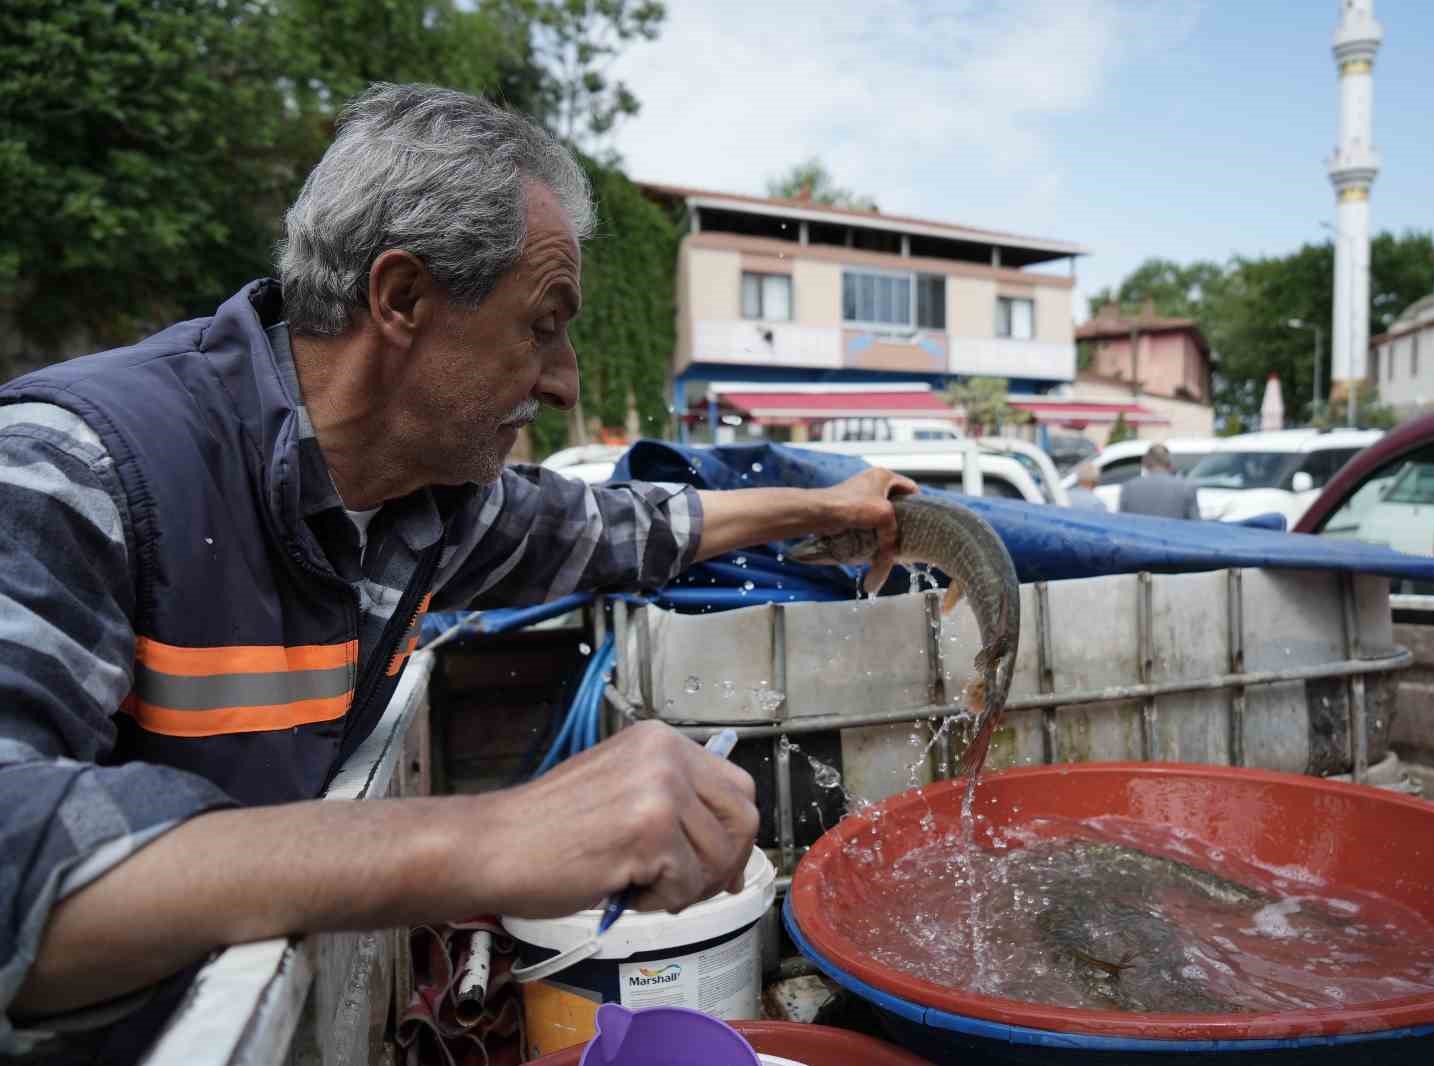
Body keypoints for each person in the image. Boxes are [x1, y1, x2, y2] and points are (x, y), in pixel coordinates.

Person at [0, 84, 915, 1062]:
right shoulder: (75, 465)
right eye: (543, 322)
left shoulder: (420, 500)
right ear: (401, 298)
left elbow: (623, 529)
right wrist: (487, 840)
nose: (564, 378)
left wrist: (829, 508)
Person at [1118, 442, 1200, 520]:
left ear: (1145, 463)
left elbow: (1121, 525)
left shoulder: (1129, 488)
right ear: (1169, 463)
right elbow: (1195, 526)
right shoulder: (1186, 487)